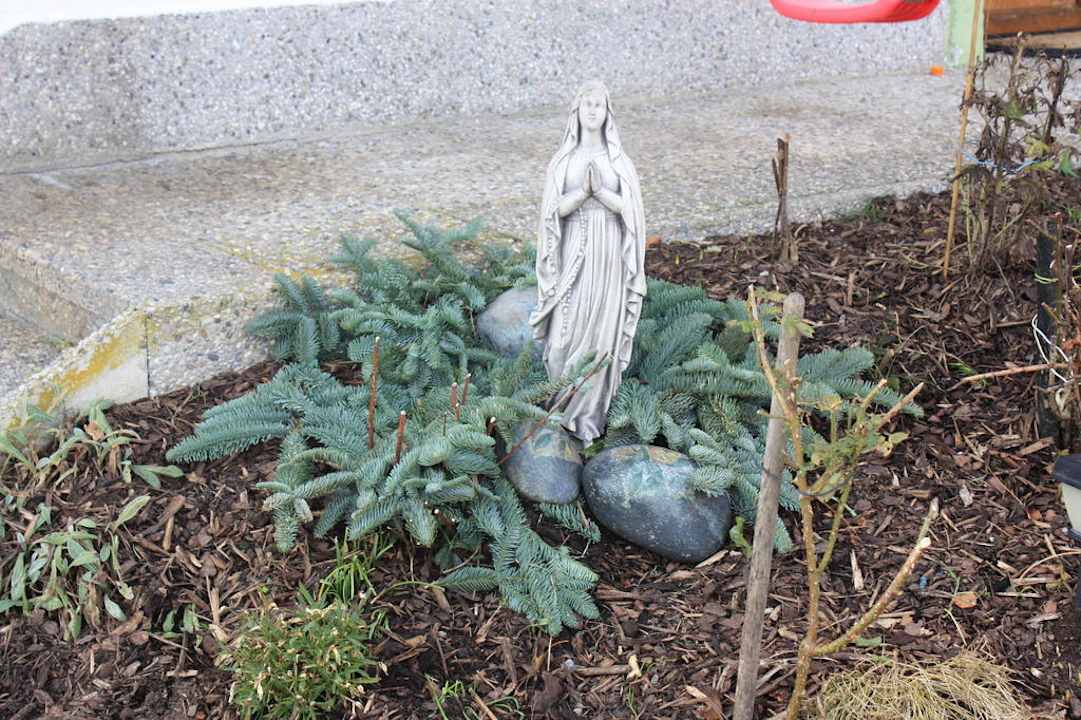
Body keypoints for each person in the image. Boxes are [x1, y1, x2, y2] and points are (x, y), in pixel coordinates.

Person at [529, 80, 648, 447]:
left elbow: (631, 211)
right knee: (564, 334)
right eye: (587, 104)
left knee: (601, 330)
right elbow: (553, 213)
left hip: (609, 252)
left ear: (607, 112)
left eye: (599, 104)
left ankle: (590, 414)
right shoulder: (564, 160)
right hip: (573, 249)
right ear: (577, 112)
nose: (593, 110)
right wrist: (582, 193)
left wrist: (602, 194)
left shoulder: (619, 162)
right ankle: (560, 401)